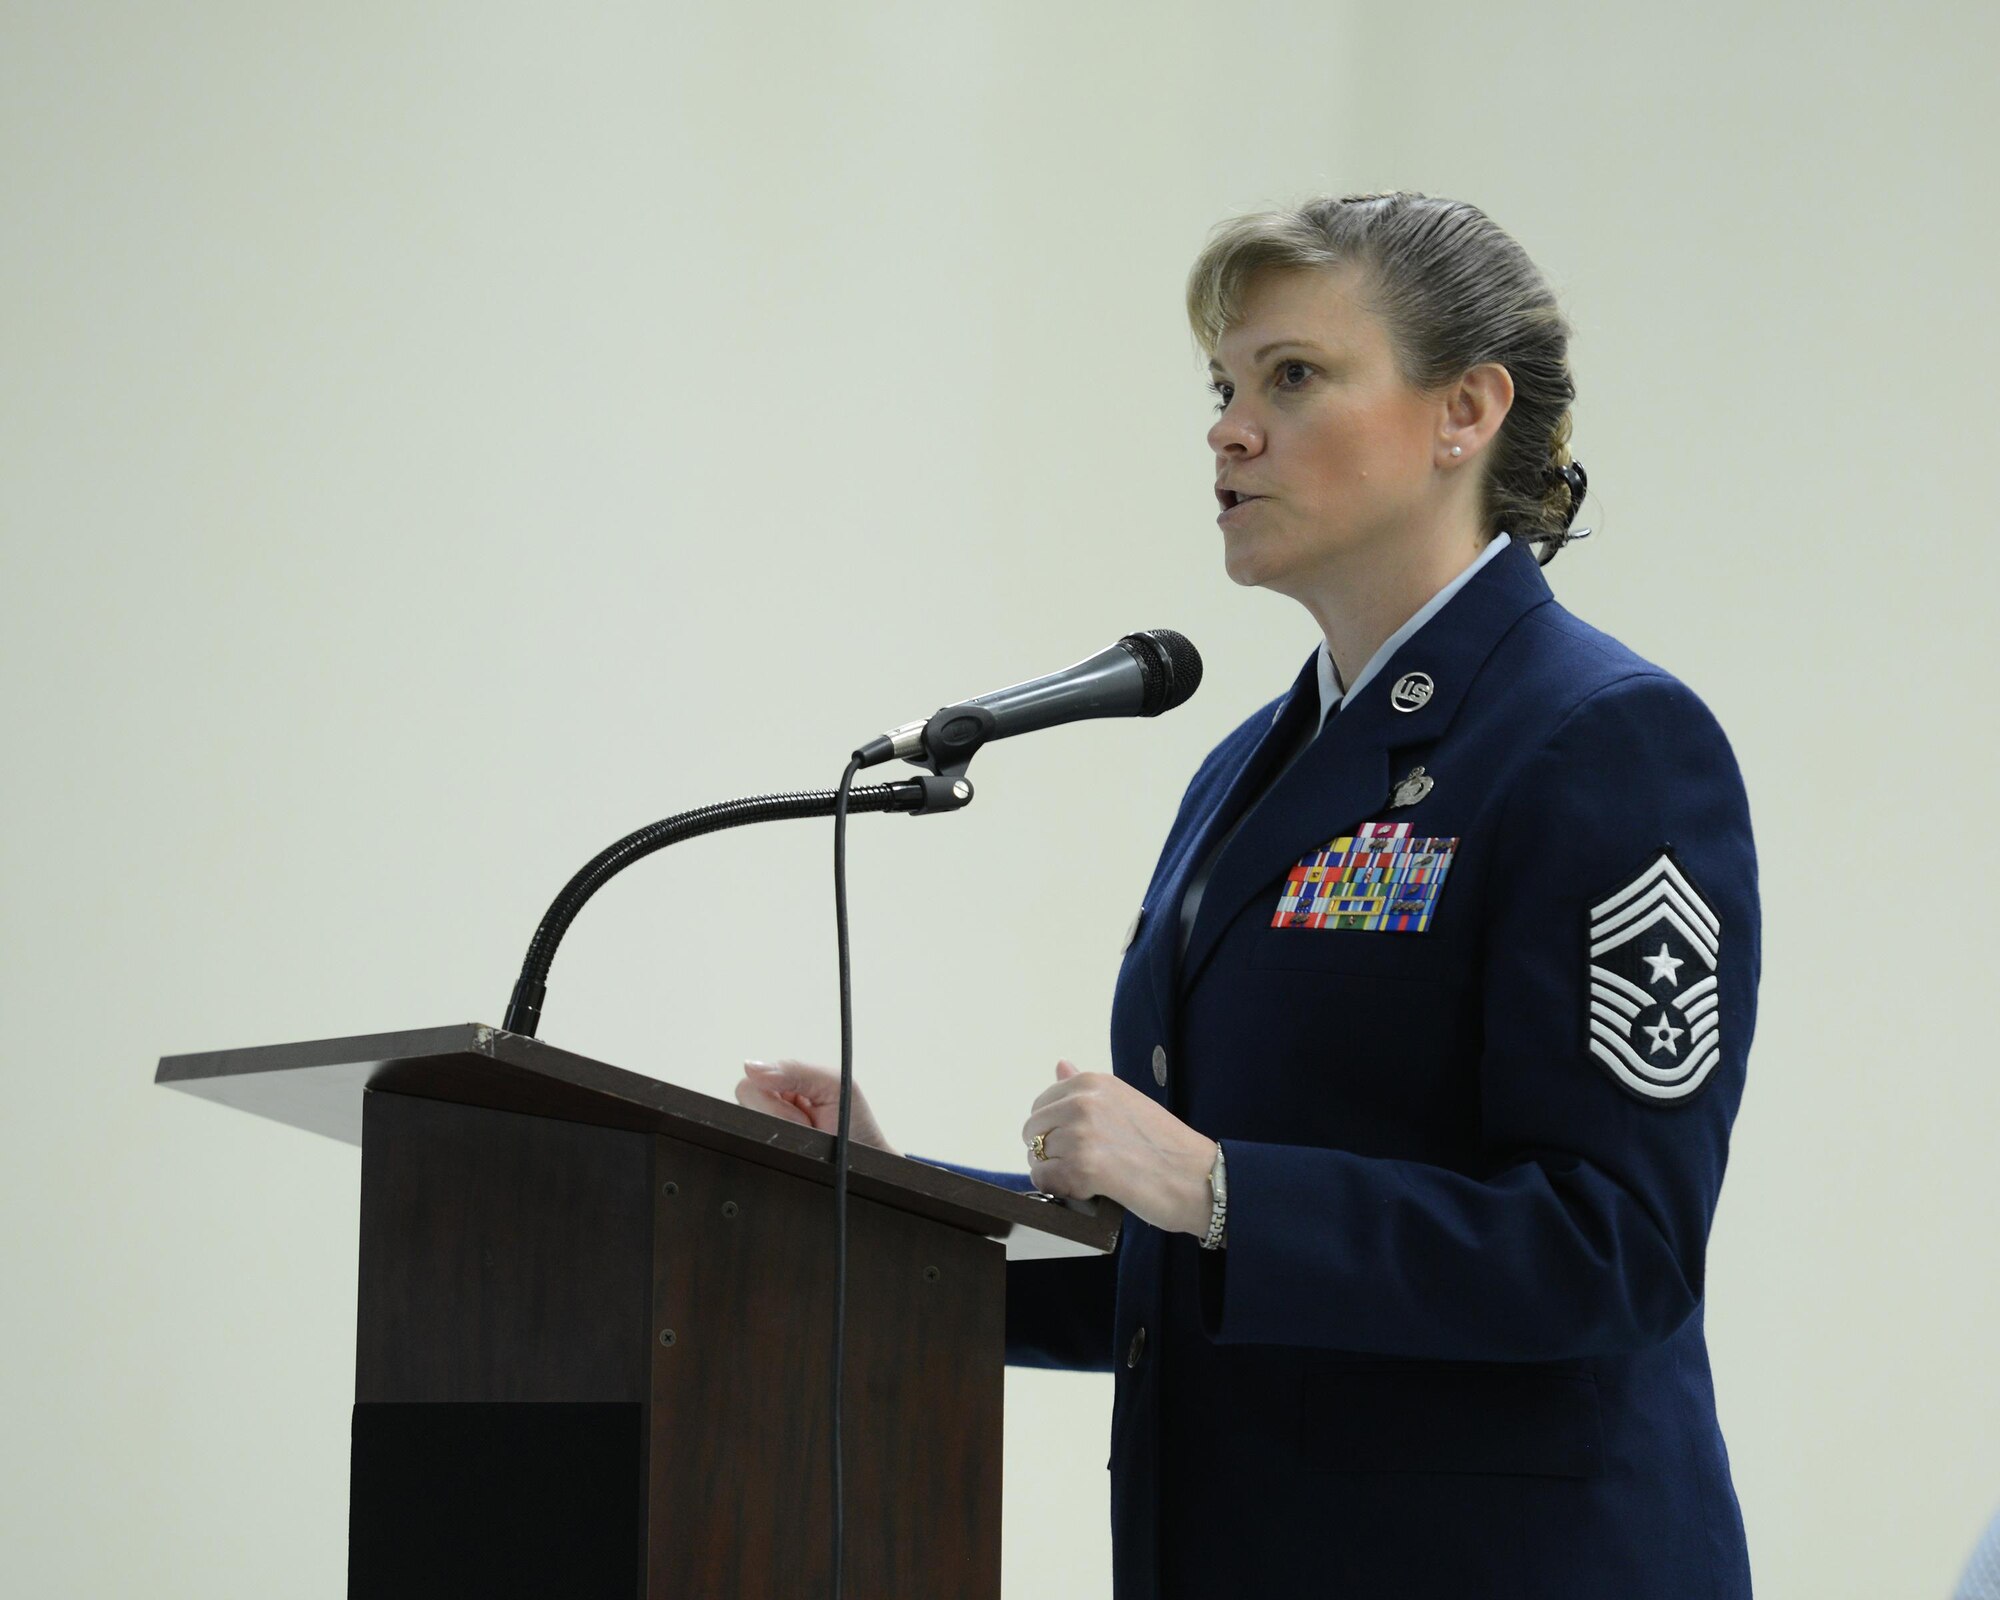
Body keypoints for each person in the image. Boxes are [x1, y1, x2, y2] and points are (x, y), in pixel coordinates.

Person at [738, 190, 1759, 1599]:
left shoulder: (1604, 742)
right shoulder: (1245, 771)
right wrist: (890, 1210)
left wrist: (1215, 1187)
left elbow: (1614, 1252)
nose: (1228, 427)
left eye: (1292, 377)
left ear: (1465, 410)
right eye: (1224, 385)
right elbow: (1198, 1267)